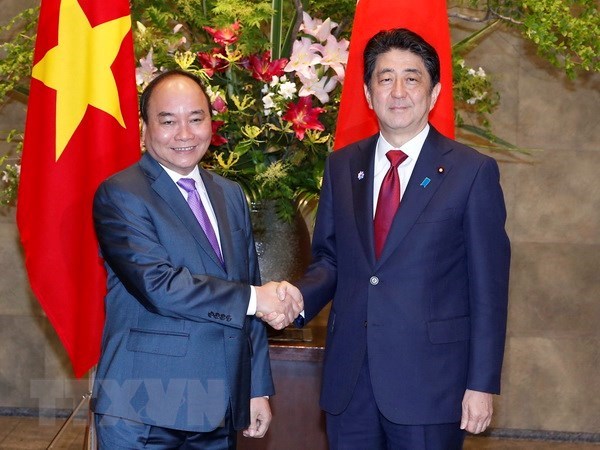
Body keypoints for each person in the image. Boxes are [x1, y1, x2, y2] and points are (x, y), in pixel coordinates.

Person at [274, 28, 511, 449]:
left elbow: (488, 290)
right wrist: (294, 298)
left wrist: (481, 383)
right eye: (385, 78)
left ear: (434, 92)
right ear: (368, 93)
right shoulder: (342, 166)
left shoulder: (471, 173)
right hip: (351, 384)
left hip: (432, 386)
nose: (398, 91)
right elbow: (330, 260)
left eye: (412, 77)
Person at [91, 69, 302, 449]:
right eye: (168, 121)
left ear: (211, 122)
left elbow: (246, 283)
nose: (185, 134)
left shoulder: (231, 194)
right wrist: (257, 299)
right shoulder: (121, 194)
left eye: (196, 118)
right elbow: (160, 286)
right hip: (143, 410)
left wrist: (255, 389)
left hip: (218, 409)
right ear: (144, 128)